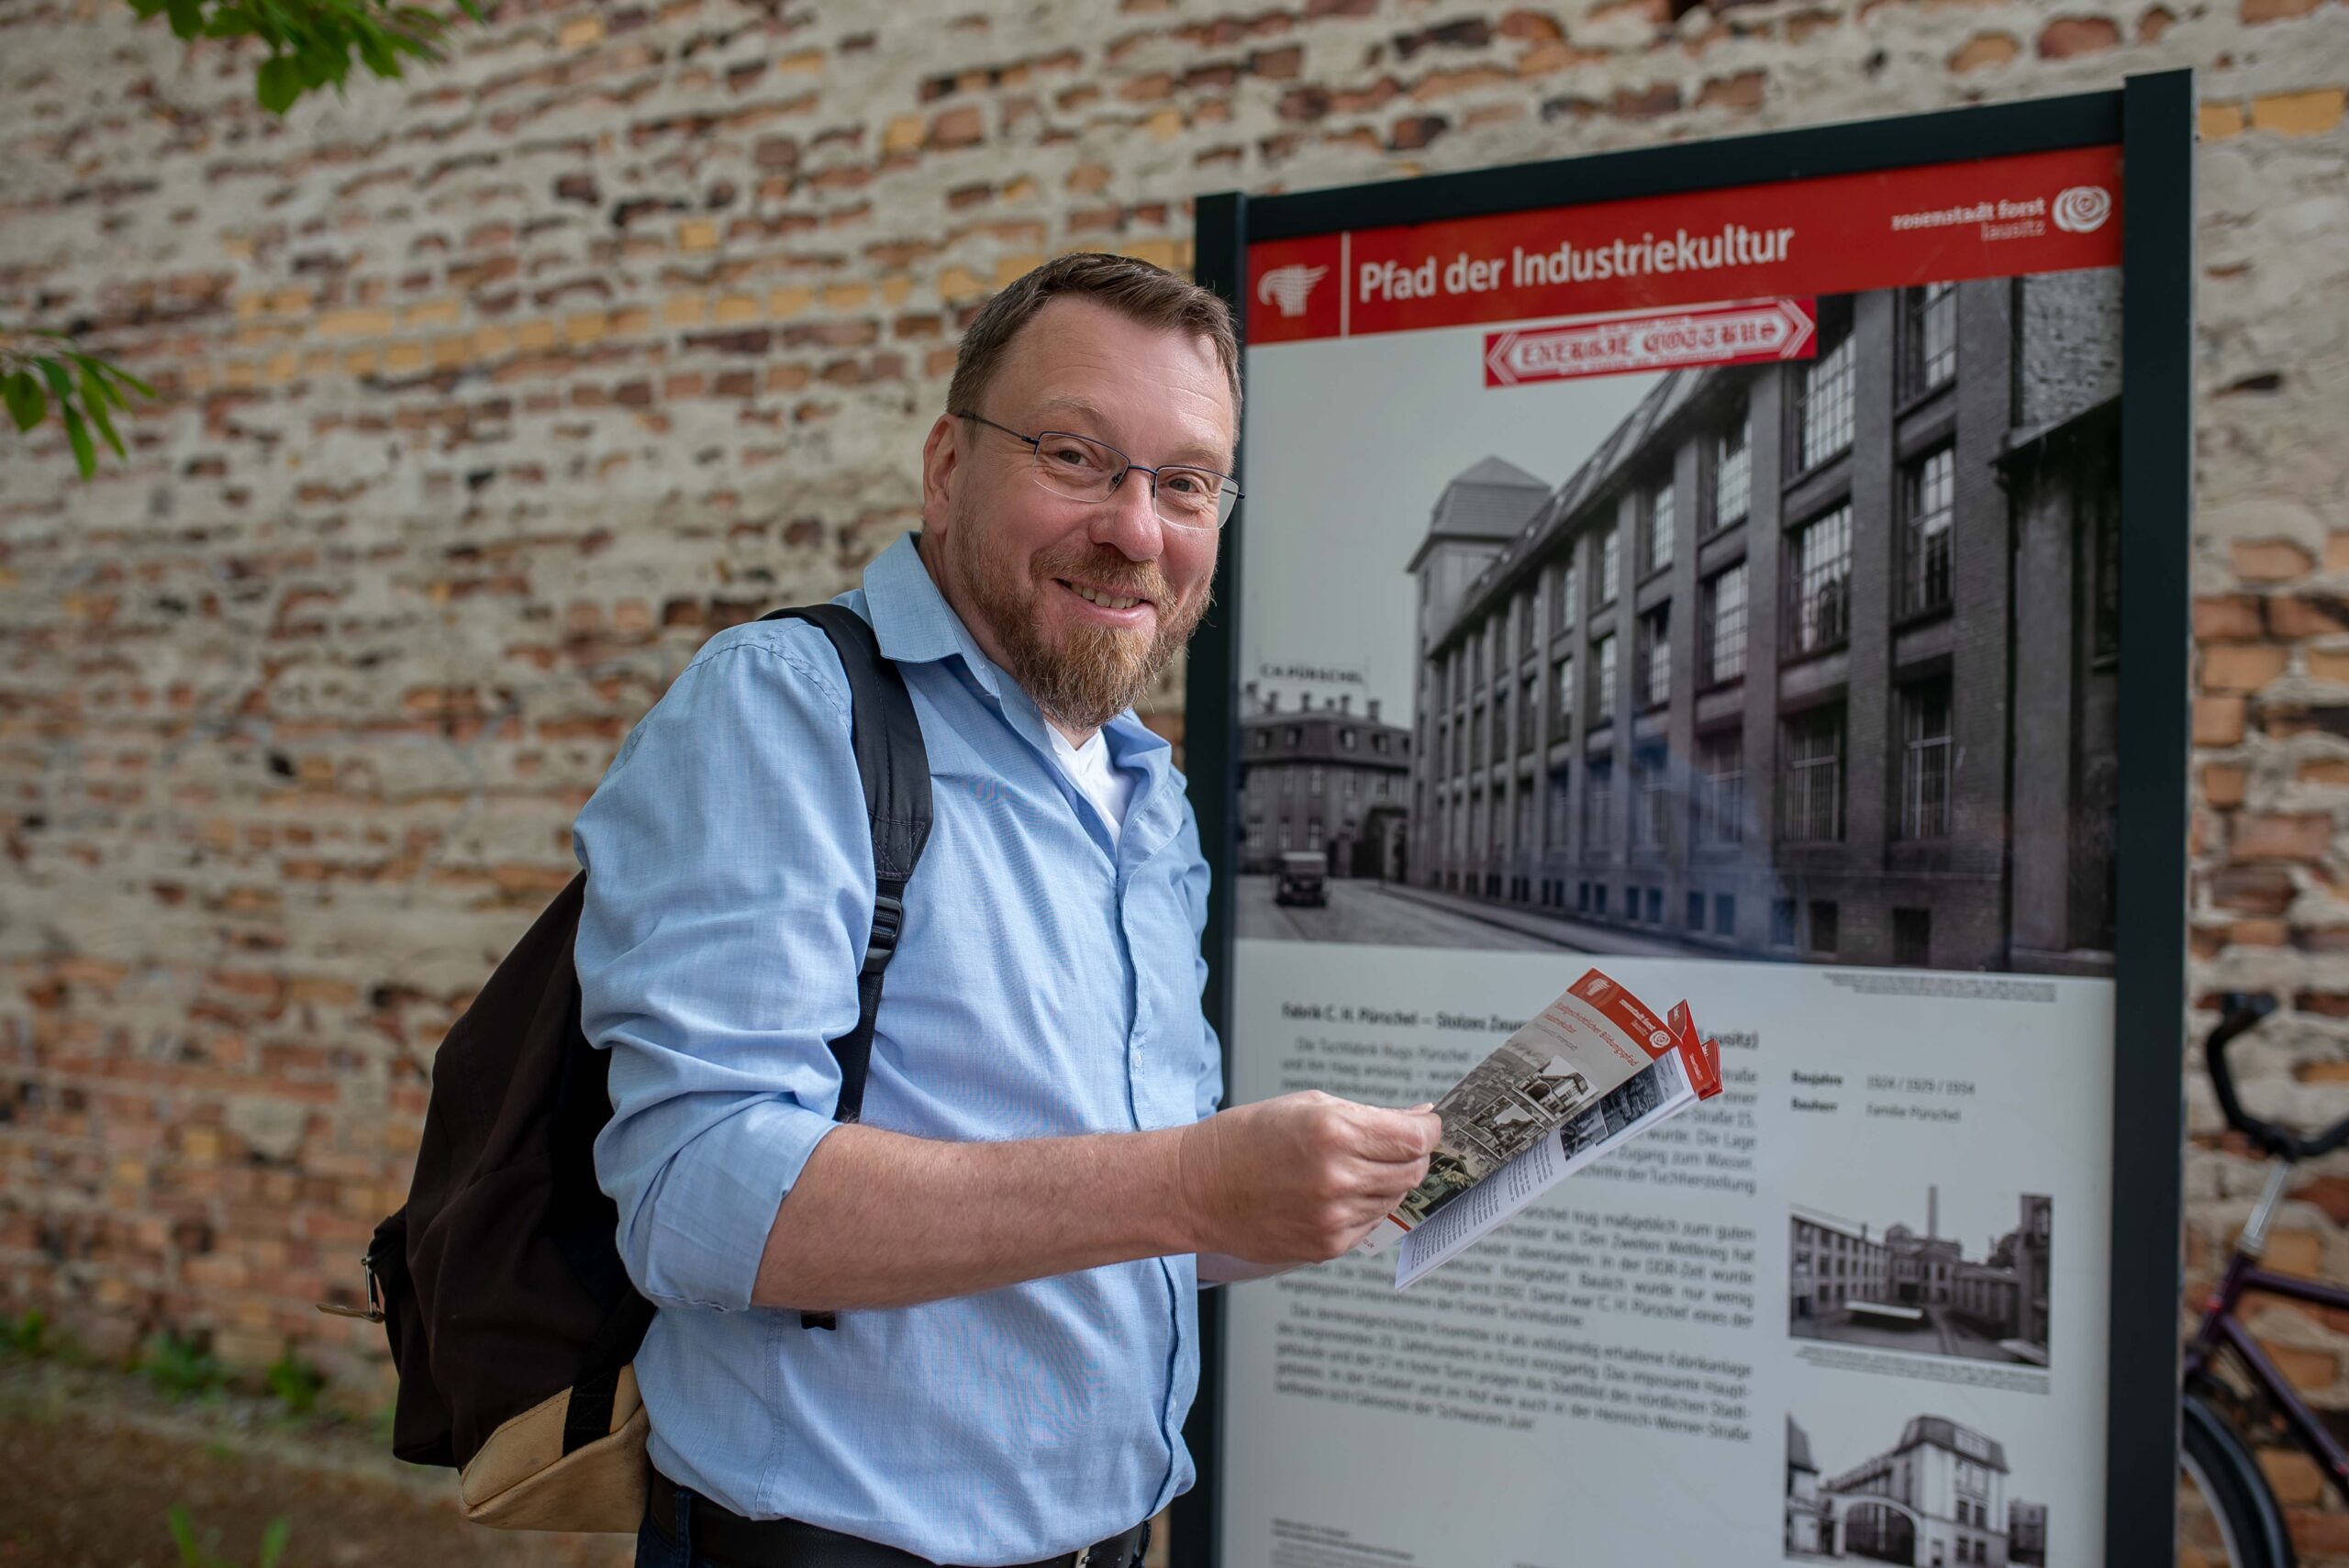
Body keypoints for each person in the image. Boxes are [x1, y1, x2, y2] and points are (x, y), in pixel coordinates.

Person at [572, 252, 1442, 1568]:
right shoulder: (789, 707)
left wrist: (1307, 1197)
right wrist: (1193, 1180)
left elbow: (1105, 1217)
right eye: (1077, 455)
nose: (1137, 528)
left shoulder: (1149, 791)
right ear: (945, 467)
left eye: (1186, 482)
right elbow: (693, 1197)